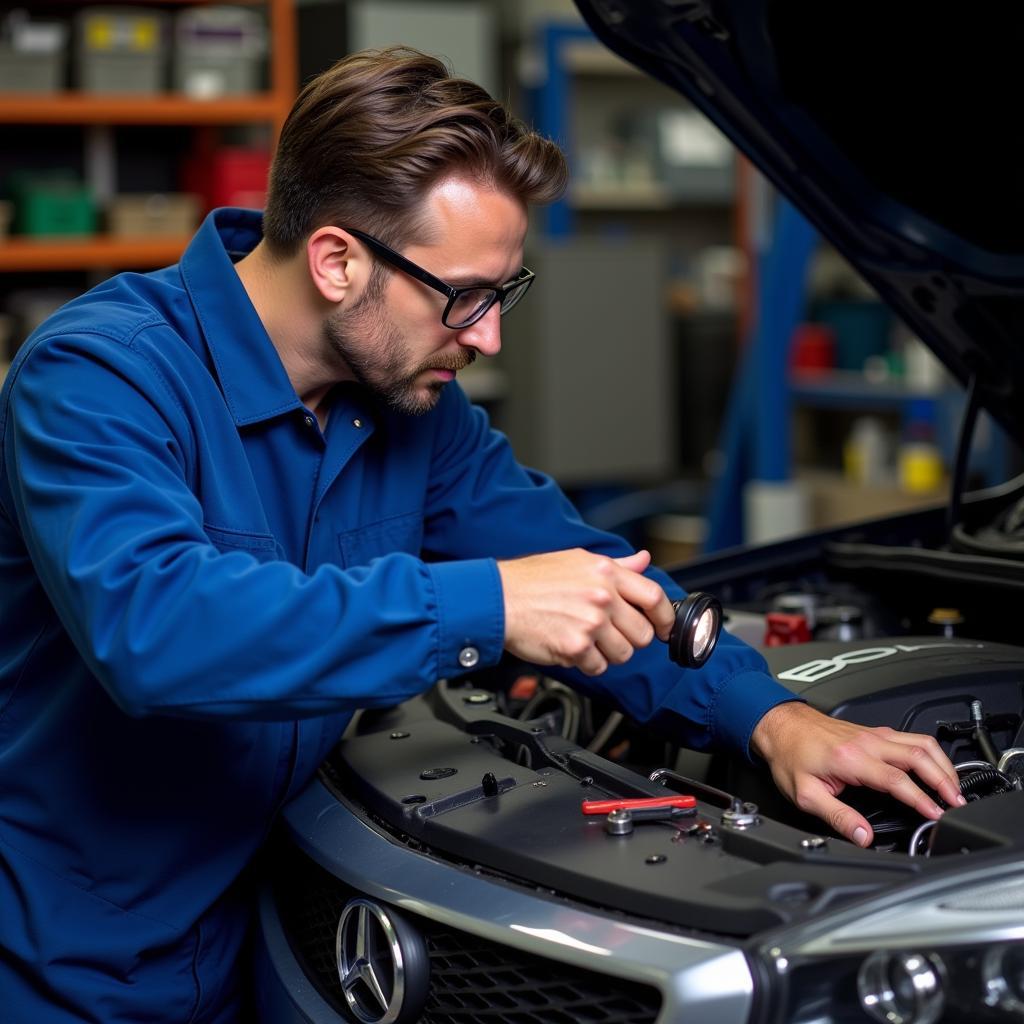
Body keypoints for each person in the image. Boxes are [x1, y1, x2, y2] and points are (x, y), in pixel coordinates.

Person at [0, 47, 962, 1023]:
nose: (489, 335)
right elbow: (159, 628)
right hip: (58, 976)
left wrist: (766, 715)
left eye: (506, 292)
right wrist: (490, 603)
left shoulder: (412, 411)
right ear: (337, 261)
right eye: (463, 295)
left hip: (260, 941)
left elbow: (586, 571)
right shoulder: (98, 377)